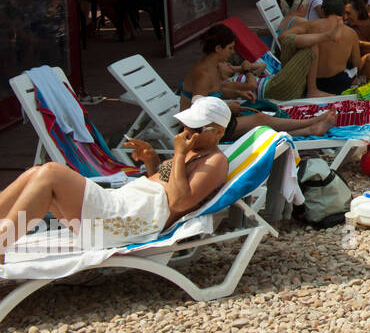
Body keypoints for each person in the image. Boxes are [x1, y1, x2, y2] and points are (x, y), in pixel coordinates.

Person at [1, 97, 231, 253]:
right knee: (35, 173)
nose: (187, 133)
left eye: (196, 129)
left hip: (130, 220)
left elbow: (179, 202)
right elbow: (164, 188)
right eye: (185, 126)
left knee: (51, 172)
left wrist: (179, 154)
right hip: (124, 208)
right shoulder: (193, 152)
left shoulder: (215, 161)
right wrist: (151, 160)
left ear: (218, 132)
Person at [179, 24, 338, 139]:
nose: (233, 52)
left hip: (215, 123)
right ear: (218, 48)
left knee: (262, 124)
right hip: (202, 130)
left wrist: (238, 93)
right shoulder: (204, 73)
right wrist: (228, 106)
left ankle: (310, 129)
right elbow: (198, 110)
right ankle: (312, 122)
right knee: (261, 120)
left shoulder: (213, 67)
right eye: (230, 48)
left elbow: (214, 92)